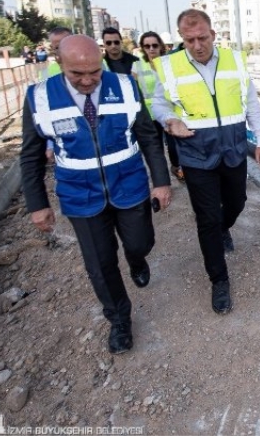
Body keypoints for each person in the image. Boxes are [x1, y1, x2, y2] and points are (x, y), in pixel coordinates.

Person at [19, 35, 172, 354]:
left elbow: (147, 136)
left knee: (140, 242)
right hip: (79, 195)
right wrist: (38, 205)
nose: (88, 80)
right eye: (78, 74)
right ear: (60, 64)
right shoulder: (40, 97)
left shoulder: (126, 86)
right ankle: (119, 319)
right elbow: (31, 155)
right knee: (100, 264)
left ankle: (136, 259)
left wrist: (161, 180)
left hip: (128, 185)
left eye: (94, 72)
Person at [151, 8, 260, 315]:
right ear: (182, 38)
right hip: (196, 154)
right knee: (206, 218)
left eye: (202, 37)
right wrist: (169, 121)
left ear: (213, 35)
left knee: (237, 203)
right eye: (189, 40)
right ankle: (219, 280)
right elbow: (159, 106)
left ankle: (223, 227)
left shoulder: (235, 61)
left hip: (232, 150)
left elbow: (252, 105)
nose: (197, 45)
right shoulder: (169, 67)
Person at [135, 31, 183, 183]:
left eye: (154, 45)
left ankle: (176, 167)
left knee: (174, 145)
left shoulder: (169, 63)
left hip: (169, 111)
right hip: (148, 115)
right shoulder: (137, 66)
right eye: (147, 46)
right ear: (142, 48)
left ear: (160, 46)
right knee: (156, 150)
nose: (151, 49)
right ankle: (162, 180)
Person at [40, 27, 74, 163]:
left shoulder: (94, 66)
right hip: (64, 135)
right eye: (57, 47)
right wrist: (49, 144)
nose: (61, 51)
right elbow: (45, 111)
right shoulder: (46, 74)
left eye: (65, 45)